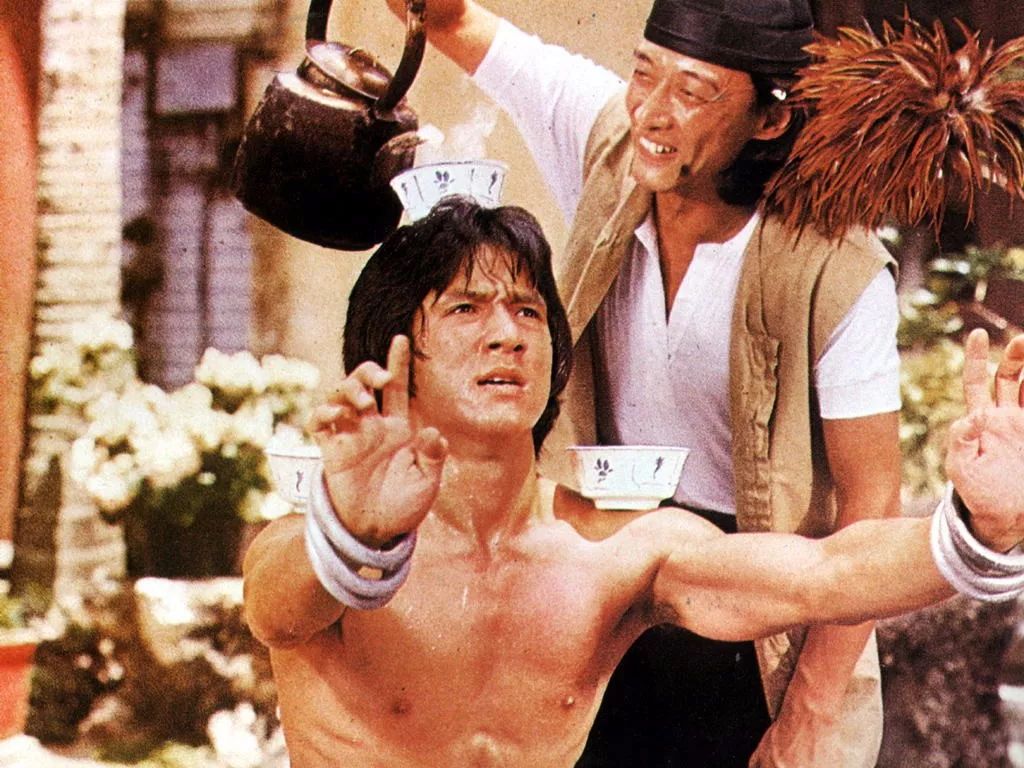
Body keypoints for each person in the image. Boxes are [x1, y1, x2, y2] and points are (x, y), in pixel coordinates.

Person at [243, 197, 1024, 768]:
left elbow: (825, 573)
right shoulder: (314, 540)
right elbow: (276, 608)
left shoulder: (608, 552)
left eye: (528, 310)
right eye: (466, 308)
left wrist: (982, 527)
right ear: (390, 352)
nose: (507, 333)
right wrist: (355, 534)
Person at [379, 1, 902, 765]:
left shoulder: (836, 263)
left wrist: (810, 714)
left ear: (768, 118)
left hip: (759, 608)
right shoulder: (618, 148)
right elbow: (456, 23)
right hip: (606, 591)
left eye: (693, 92)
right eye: (643, 73)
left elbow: (873, 500)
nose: (652, 111)